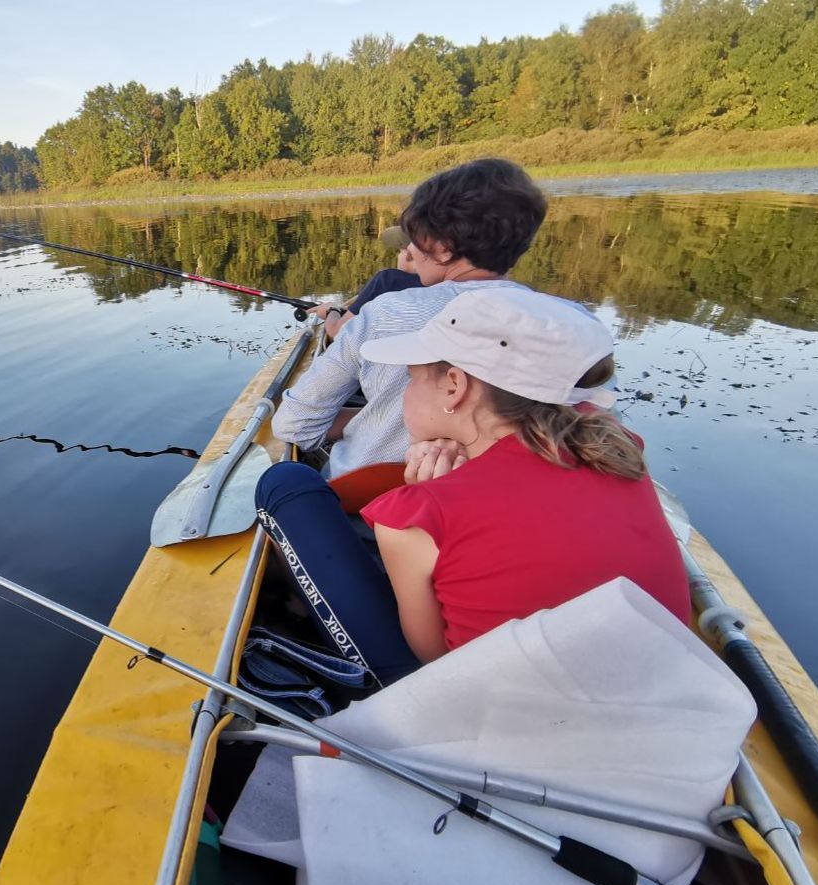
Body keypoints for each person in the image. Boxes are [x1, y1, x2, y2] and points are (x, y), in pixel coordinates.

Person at [255, 288, 687, 686]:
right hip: (643, 689)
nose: (407, 394)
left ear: (455, 386)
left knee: (286, 481)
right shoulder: (620, 452)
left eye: (412, 377)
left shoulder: (417, 515)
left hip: (477, 711)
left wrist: (423, 506)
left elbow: (430, 656)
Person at [273, 158, 549, 481]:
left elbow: (293, 424)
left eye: (415, 238)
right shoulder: (564, 324)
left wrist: (369, 420)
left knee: (281, 482)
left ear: (443, 248)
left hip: (363, 495)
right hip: (492, 500)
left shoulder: (384, 313)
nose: (409, 250)